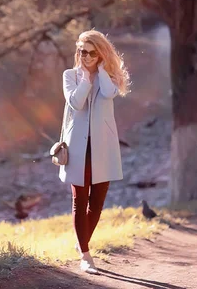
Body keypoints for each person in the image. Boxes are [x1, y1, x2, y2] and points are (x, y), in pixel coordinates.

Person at [59, 29, 130, 274]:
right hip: (78, 149)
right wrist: (86, 80)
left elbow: (110, 94)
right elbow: (76, 102)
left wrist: (99, 72)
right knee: (80, 201)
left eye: (91, 53)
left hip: (103, 149)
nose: (86, 57)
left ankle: (82, 245)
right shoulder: (70, 75)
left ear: (100, 54)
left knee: (97, 203)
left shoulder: (107, 77)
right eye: (82, 52)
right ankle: (86, 256)